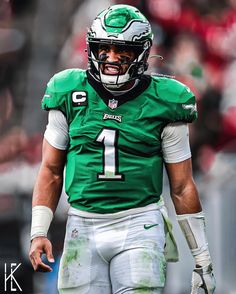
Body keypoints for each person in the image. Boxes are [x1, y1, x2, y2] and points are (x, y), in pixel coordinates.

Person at [29, 4, 216, 294]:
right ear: (92, 48)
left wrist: (202, 259)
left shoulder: (167, 99)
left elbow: (181, 186)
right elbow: (51, 169)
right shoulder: (67, 90)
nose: (112, 58)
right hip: (82, 224)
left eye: (123, 51)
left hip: (139, 223)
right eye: (105, 49)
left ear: (141, 52)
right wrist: (39, 230)